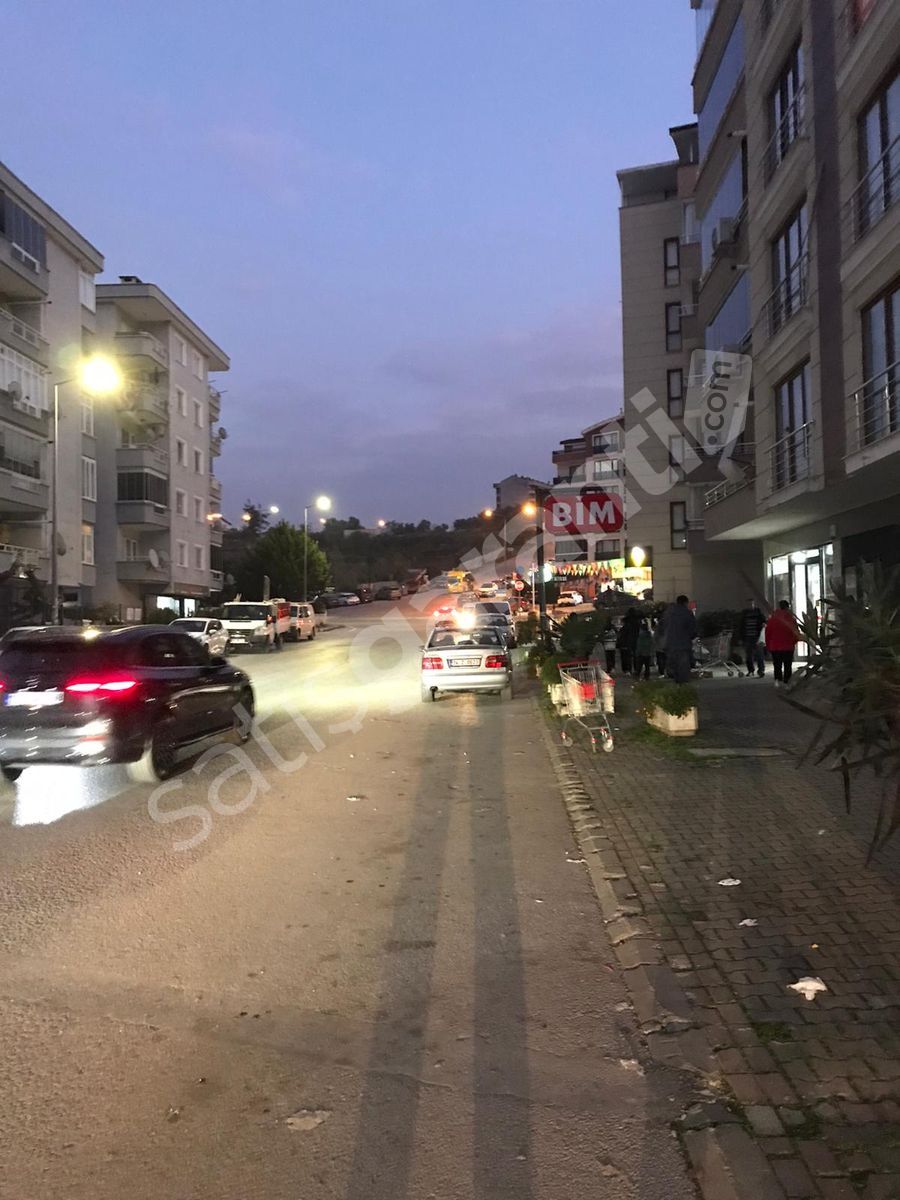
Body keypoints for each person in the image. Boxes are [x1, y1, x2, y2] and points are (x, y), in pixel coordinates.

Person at [765, 599, 801, 687]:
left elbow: (768, 633)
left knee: (777, 665)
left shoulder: (772, 619)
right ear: (788, 607)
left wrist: (768, 645)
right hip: (788, 646)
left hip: (775, 646)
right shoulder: (791, 619)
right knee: (787, 665)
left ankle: (777, 680)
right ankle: (787, 681)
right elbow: (796, 633)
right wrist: (794, 642)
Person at [663, 595, 697, 684]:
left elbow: (663, 627)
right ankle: (682, 686)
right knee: (683, 668)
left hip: (669, 644)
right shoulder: (687, 613)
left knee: (674, 668)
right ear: (686, 602)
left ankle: (677, 684)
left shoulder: (668, 613)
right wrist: (692, 637)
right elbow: (692, 630)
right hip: (683, 644)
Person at [738, 597, 766, 678]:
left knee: (759, 654)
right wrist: (741, 637)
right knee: (749, 655)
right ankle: (751, 670)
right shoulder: (744, 614)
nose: (750, 605)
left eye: (751, 604)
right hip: (748, 637)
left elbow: (763, 621)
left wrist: (763, 624)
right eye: (748, 604)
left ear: (754, 604)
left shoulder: (758, 613)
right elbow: (741, 626)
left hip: (757, 637)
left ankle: (761, 670)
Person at [617, 607, 640, 676]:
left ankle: (628, 669)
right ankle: (636, 669)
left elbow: (623, 632)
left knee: (627, 656)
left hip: (627, 640)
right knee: (636, 656)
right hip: (636, 640)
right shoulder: (637, 622)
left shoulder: (626, 622)